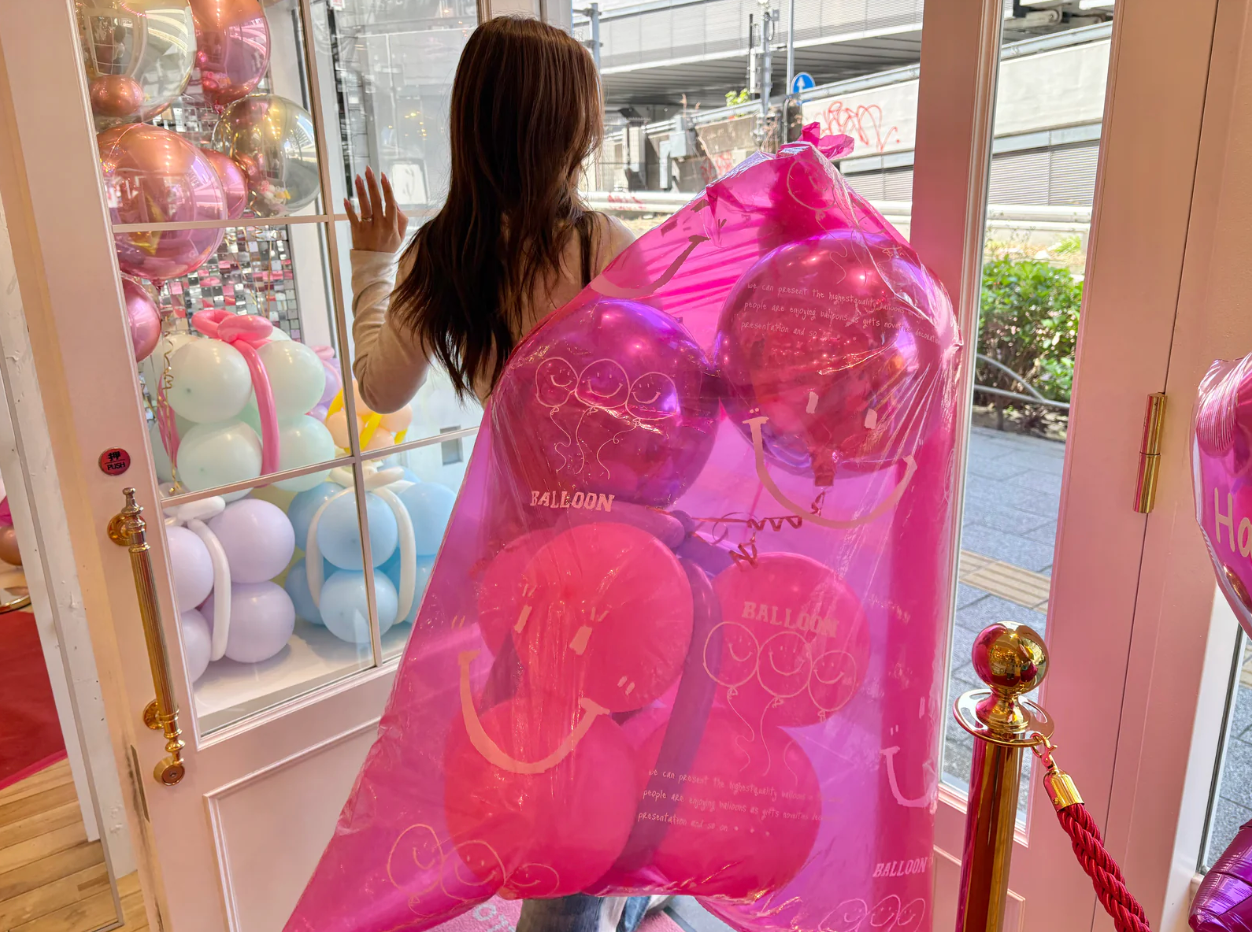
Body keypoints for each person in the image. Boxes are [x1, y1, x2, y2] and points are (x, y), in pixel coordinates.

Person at [344, 14, 669, 932]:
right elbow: (672, 396)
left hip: (509, 565)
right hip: (616, 558)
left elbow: (379, 387)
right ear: (570, 127)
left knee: (548, 775)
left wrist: (372, 261)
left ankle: (606, 903)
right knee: (592, 792)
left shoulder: (440, 254)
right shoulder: (605, 247)